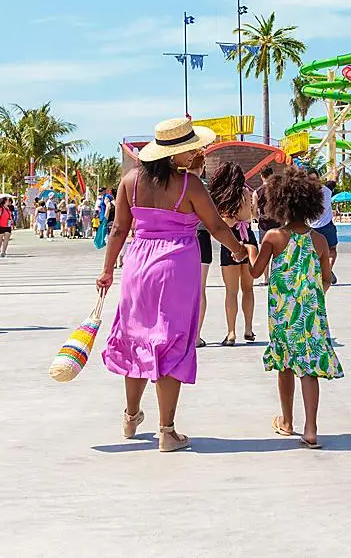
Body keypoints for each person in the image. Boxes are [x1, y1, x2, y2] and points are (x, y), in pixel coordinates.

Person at [97, 118, 247, 452]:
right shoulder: (189, 185)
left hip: (138, 265)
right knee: (170, 341)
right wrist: (238, 251)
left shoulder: (130, 181)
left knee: (136, 336)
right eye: (194, 149)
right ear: (176, 153)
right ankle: (167, 430)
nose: (199, 152)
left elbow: (119, 230)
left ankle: (131, 414)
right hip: (177, 266)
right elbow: (217, 227)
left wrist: (108, 270)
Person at [248, 167, 342, 449]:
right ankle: (310, 429)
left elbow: (255, 273)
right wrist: (313, 296)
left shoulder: (274, 237)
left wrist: (250, 250)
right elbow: (327, 278)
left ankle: (287, 421)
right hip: (311, 314)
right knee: (309, 369)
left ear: (280, 202)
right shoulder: (320, 240)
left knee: (285, 364)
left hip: (282, 313)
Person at [210, 162, 258, 345]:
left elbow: (226, 223)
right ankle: (248, 329)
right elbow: (252, 215)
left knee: (231, 291)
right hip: (248, 238)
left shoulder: (223, 197)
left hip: (230, 240)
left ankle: (231, 332)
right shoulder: (247, 193)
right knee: (248, 289)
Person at [185, 152, 213, 348]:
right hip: (202, 238)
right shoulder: (203, 187)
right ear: (202, 166)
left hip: (182, 239)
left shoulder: (179, 184)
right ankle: (196, 335)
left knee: (183, 290)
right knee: (200, 289)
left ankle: (183, 333)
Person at [309, 176, 339, 285]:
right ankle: (328, 270)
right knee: (332, 249)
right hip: (327, 226)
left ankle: (320, 273)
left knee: (313, 253)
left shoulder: (305, 193)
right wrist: (336, 171)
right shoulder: (327, 189)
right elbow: (334, 179)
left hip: (312, 227)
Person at [252, 164, 276, 286]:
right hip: (278, 223)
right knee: (278, 252)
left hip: (264, 225)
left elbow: (254, 210)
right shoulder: (278, 190)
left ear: (261, 176)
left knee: (265, 252)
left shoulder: (257, 192)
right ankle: (276, 277)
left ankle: (266, 279)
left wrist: (258, 218)